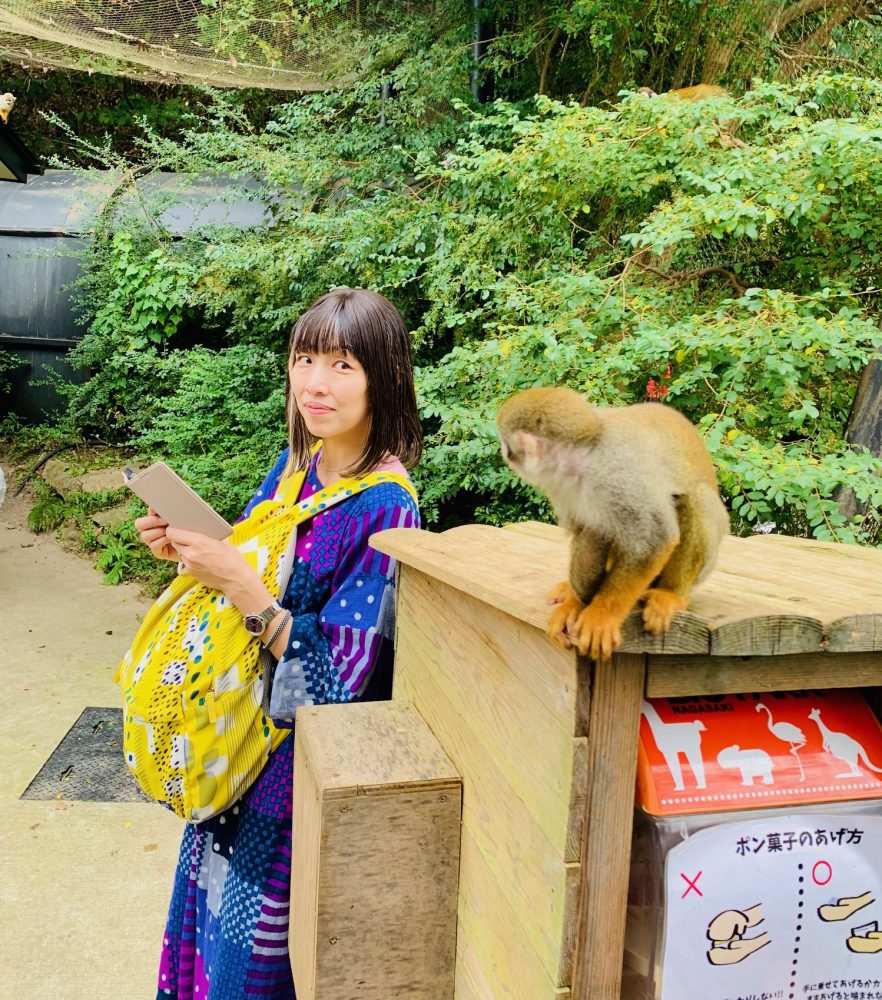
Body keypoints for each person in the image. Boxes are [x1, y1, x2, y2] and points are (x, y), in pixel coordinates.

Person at [134, 287, 422, 999]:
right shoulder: (298, 468)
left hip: (291, 788)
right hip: (236, 753)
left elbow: (342, 681)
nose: (315, 383)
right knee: (210, 949)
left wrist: (242, 587)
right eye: (304, 360)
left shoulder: (388, 508)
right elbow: (251, 573)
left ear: (385, 378)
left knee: (257, 972)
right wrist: (189, 552)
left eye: (342, 365)